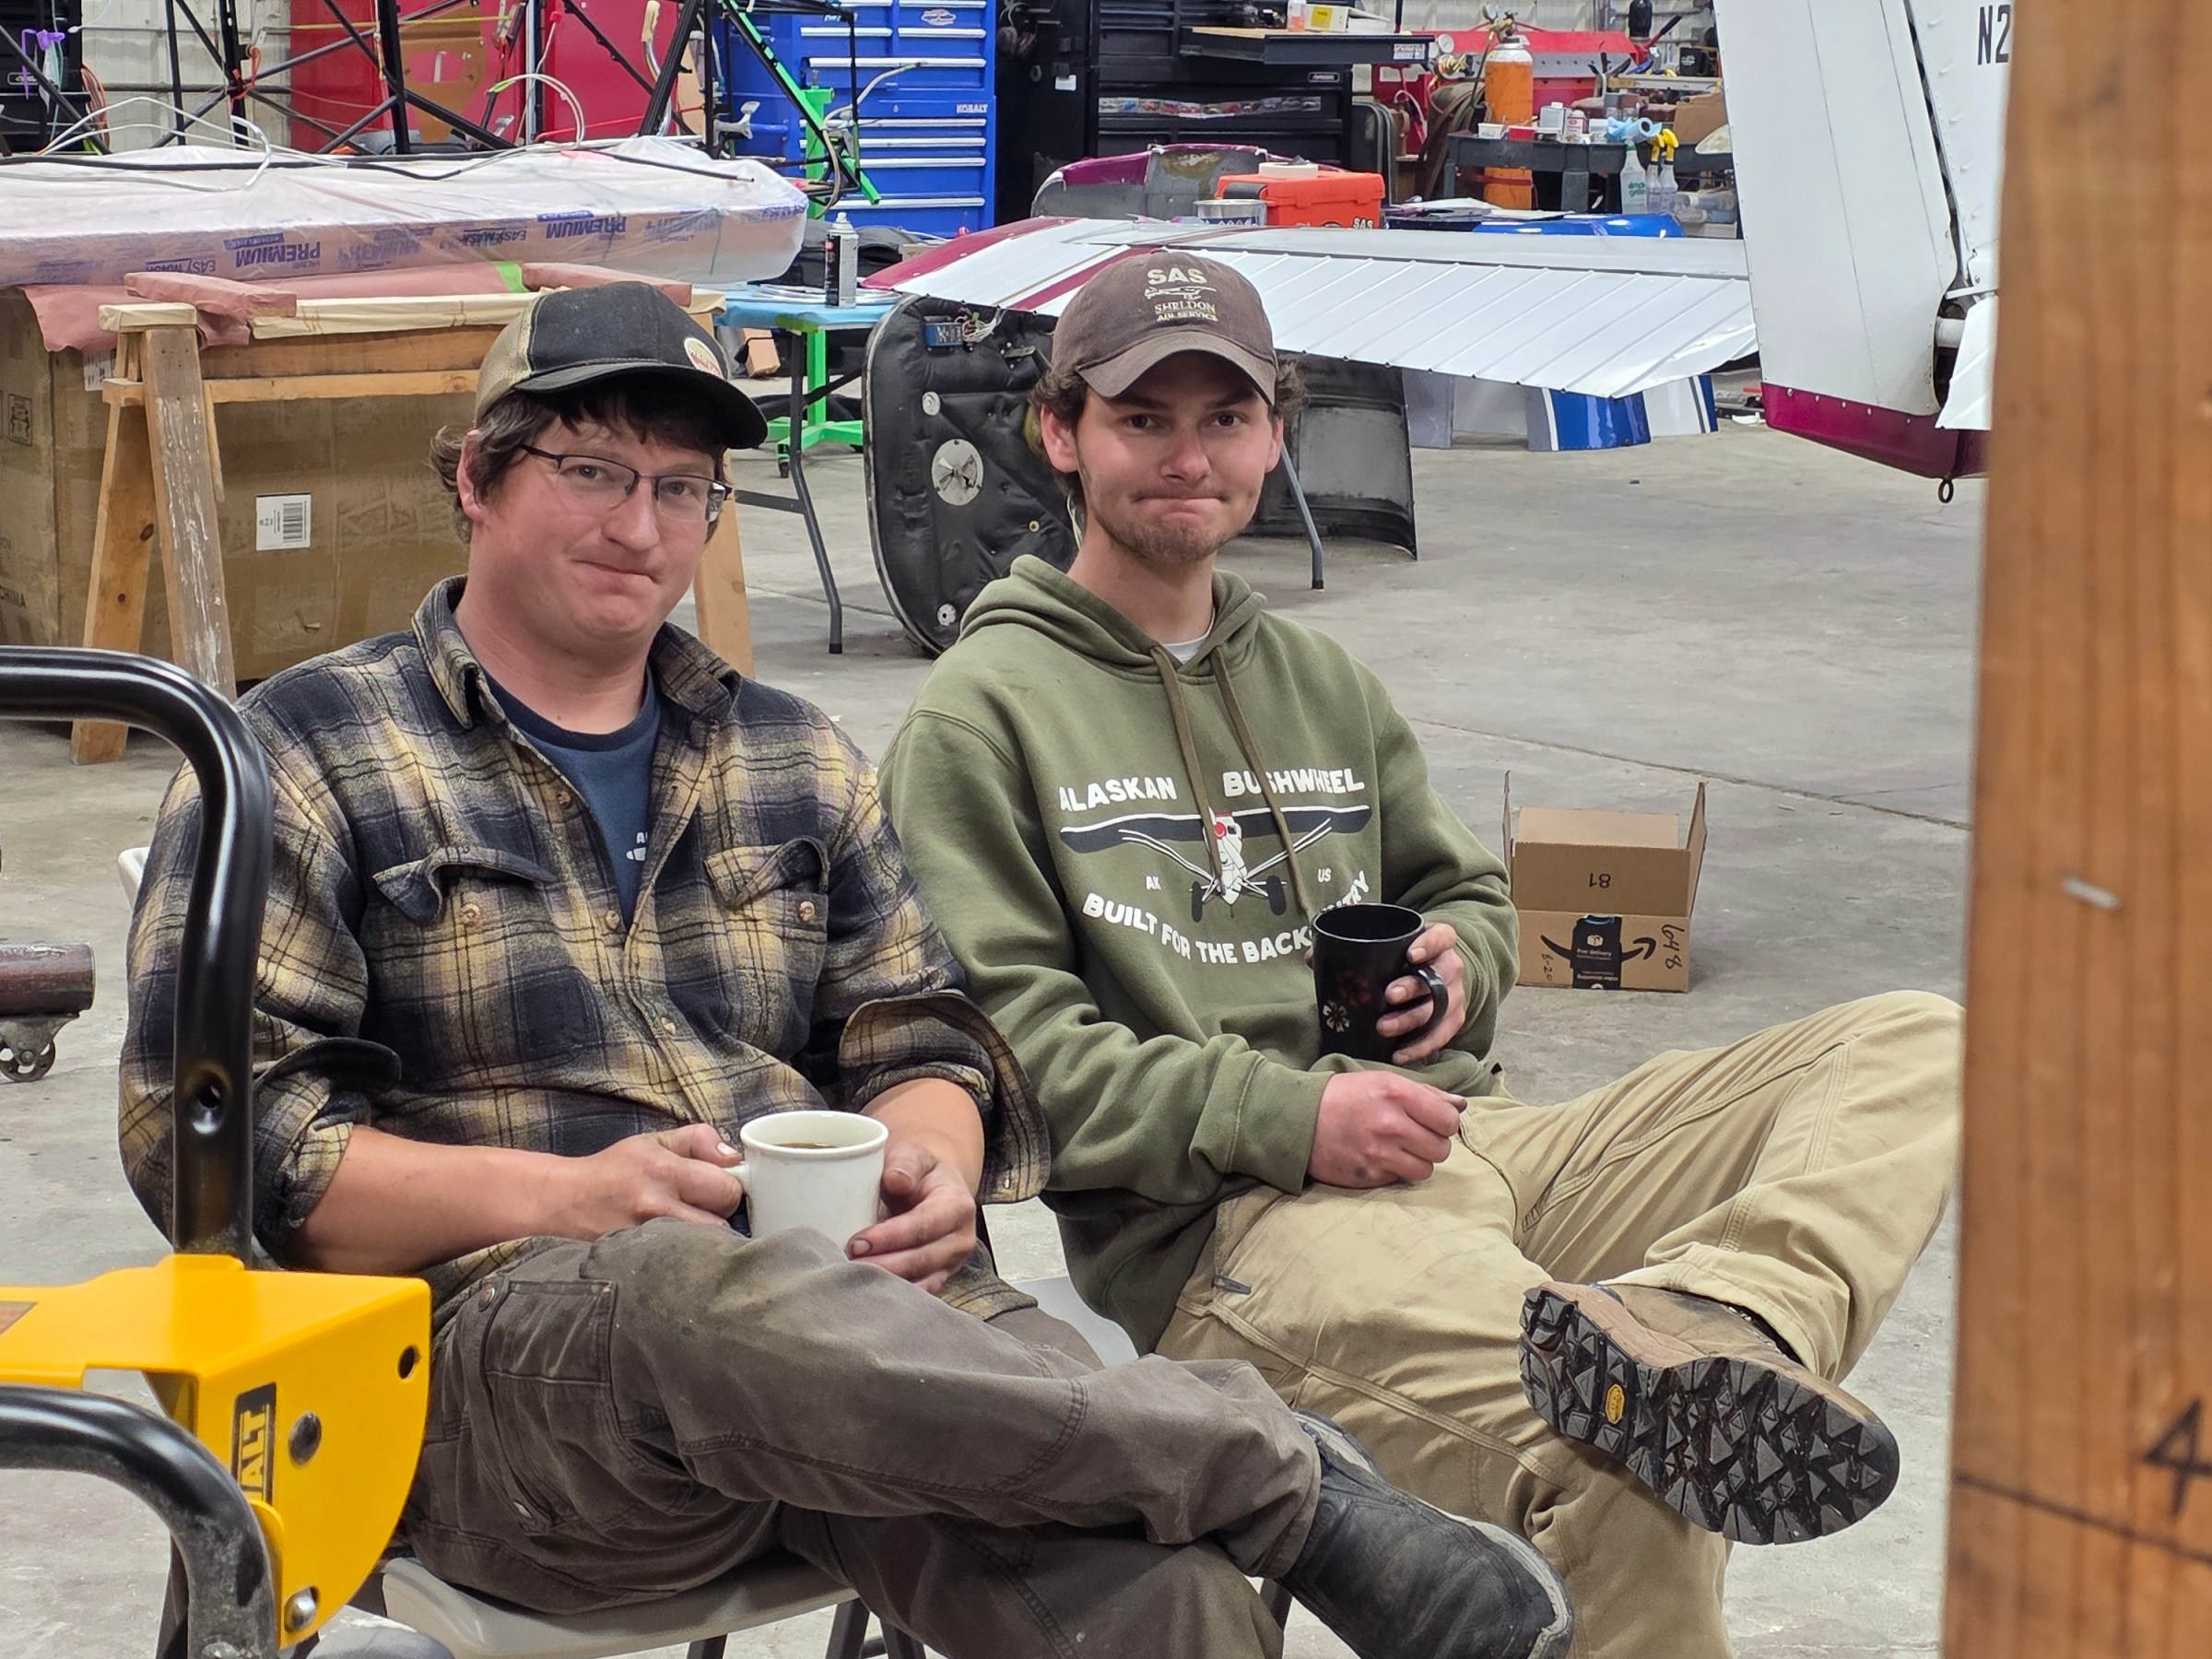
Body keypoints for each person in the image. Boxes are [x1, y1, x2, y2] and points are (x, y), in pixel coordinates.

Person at [118, 282, 1572, 1659]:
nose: (641, 523)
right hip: (512, 1387)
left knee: (1162, 1591)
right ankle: (1283, 1478)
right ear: (476, 480)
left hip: (888, 1372)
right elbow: (218, 1151)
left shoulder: (793, 756)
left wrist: (935, 1163)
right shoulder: (300, 754)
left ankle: (1230, 1486)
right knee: (687, 1286)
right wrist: (571, 1197)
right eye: (589, 468)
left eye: (680, 486)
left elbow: (923, 1040)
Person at [878, 255, 1964, 1659]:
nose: (1189, 457)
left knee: (1914, 1040)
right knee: (1628, 1461)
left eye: (1226, 417)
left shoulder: (1320, 681)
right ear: (1060, 432)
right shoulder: (983, 716)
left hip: (1477, 1141)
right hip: (1250, 1238)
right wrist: (1292, 1114)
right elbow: (1002, 1064)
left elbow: (1462, 887)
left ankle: (1726, 1308)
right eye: (1144, 419)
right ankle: (1670, 1367)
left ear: (1276, 432)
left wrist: (1469, 961)